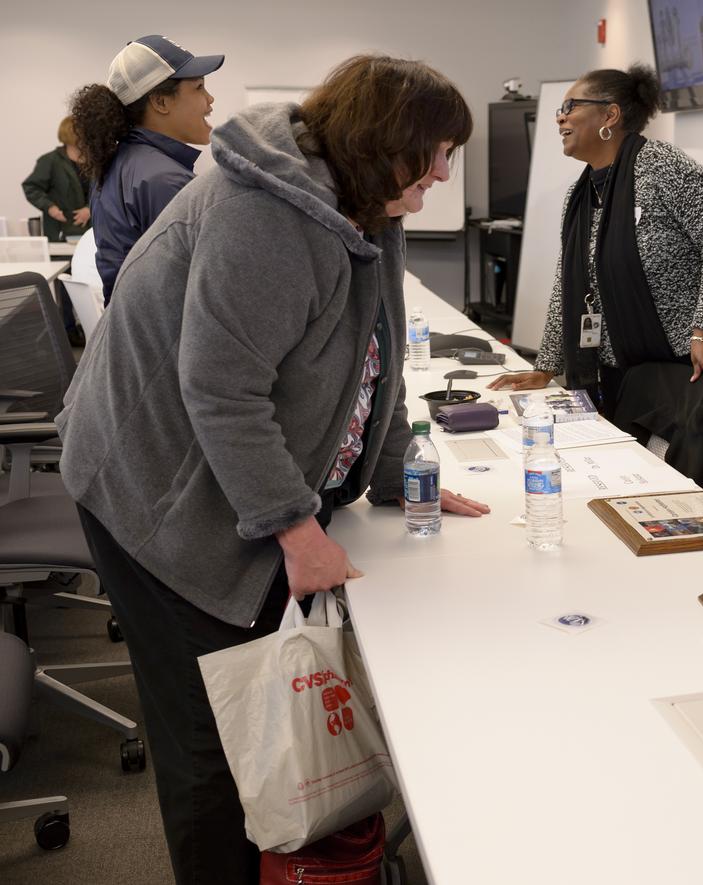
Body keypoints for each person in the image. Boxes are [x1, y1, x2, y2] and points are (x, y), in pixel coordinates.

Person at [56, 55, 488, 884]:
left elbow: (376, 353)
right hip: (154, 494)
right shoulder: (267, 213)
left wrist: (396, 469)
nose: (442, 171)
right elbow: (220, 389)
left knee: (258, 702)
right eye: (433, 152)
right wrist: (294, 526)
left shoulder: (365, 199)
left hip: (220, 478)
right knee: (212, 733)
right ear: (381, 143)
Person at [488, 64, 703, 417]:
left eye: (570, 107)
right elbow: (568, 283)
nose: (560, 120)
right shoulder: (580, 195)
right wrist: (546, 367)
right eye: (559, 111)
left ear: (610, 114)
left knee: (684, 470)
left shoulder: (663, 166)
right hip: (620, 364)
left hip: (688, 360)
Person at [69, 34, 223, 304]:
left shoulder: (118, 163)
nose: (210, 99)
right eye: (198, 88)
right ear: (160, 102)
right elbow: (206, 288)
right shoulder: (166, 180)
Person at [22, 117, 92, 241]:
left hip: (91, 232)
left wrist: (89, 209)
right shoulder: (50, 161)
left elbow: (103, 192)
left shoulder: (96, 162)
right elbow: (31, 187)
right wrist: (50, 207)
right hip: (60, 232)